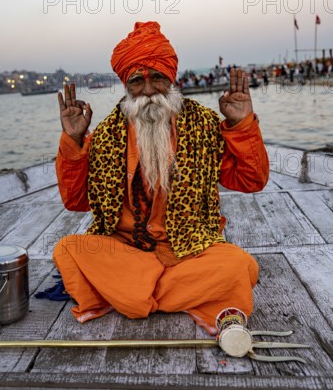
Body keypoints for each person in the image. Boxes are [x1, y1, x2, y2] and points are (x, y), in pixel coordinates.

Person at [52, 21, 269, 335]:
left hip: (191, 248)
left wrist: (242, 124)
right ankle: (176, 293)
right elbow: (75, 202)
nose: (150, 91)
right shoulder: (106, 135)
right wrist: (73, 141)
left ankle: (130, 295)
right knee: (67, 251)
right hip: (126, 248)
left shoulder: (205, 124)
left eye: (157, 78)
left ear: (172, 79)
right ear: (126, 85)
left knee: (240, 266)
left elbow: (252, 181)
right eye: (138, 81)